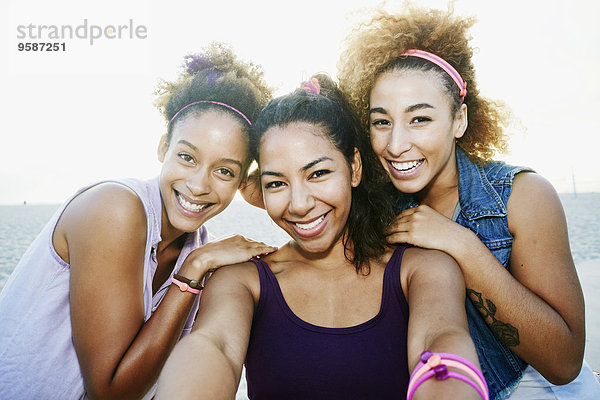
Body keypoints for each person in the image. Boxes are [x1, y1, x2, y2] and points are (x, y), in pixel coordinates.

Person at [155, 75, 489, 400]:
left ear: (354, 168)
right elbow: (214, 345)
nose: (299, 204)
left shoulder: (422, 270)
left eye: (318, 174)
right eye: (276, 183)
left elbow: (441, 341)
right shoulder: (242, 281)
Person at [337, 5, 600, 399]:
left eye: (420, 119)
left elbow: (564, 363)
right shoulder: (373, 203)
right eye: (381, 121)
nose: (395, 145)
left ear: (459, 120)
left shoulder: (521, 196)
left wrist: (459, 244)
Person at [0, 43, 277, 400]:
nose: (198, 185)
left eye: (224, 170)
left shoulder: (200, 249)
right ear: (163, 148)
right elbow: (110, 392)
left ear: (240, 184)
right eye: (187, 157)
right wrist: (191, 272)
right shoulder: (114, 209)